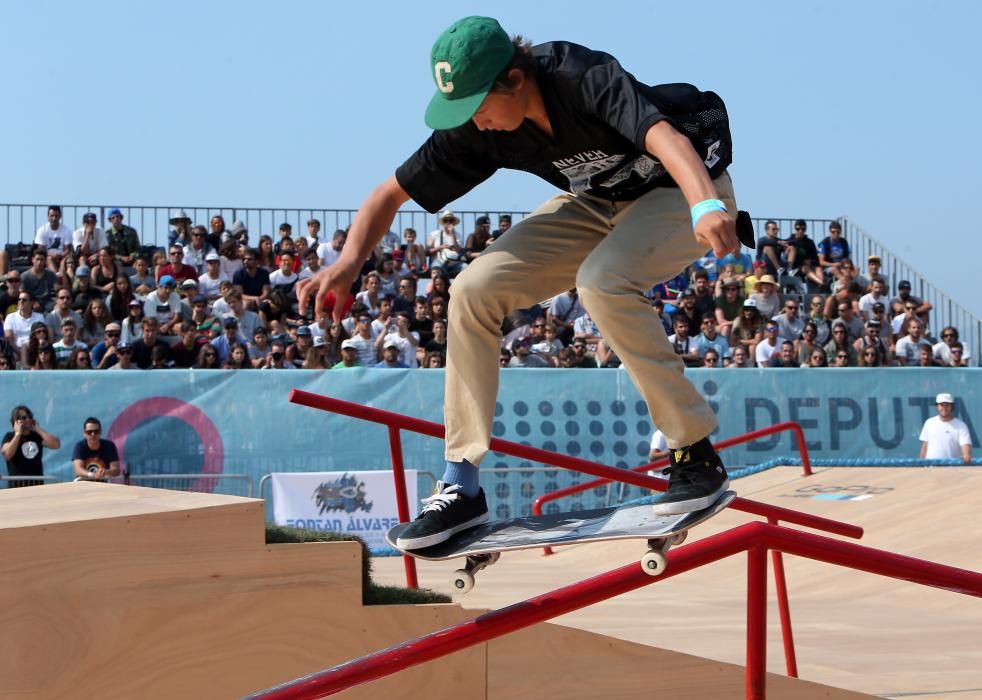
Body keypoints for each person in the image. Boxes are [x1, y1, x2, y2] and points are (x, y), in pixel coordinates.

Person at [297, 16, 738, 548]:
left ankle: (693, 452)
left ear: (514, 77)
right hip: (595, 203)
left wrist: (705, 203)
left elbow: (663, 136)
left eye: (480, 105)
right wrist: (348, 263)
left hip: (678, 191)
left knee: (600, 280)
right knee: (472, 290)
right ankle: (461, 484)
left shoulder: (579, 75)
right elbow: (388, 195)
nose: (476, 121)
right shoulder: (476, 129)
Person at [2, 406, 60, 487]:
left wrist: (37, 429)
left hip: (36, 485)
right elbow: (7, 454)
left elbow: (56, 445)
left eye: (30, 417)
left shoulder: (36, 436)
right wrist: (18, 434)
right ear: (16, 421)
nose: (28, 419)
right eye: (24, 417)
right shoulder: (9, 436)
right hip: (17, 486)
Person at [919, 393, 972, 464]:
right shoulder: (929, 423)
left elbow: (965, 445)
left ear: (952, 407)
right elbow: (925, 446)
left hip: (952, 469)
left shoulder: (961, 426)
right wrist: (921, 464)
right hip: (930, 468)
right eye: (941, 405)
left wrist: (966, 455)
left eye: (947, 405)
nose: (944, 408)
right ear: (937, 406)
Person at [71, 417, 121, 482]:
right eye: (89, 432)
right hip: (83, 486)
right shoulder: (79, 446)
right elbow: (78, 470)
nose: (93, 434)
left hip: (103, 486)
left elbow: (116, 470)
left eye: (96, 431)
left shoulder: (109, 446)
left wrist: (106, 472)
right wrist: (92, 475)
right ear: (84, 433)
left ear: (100, 432)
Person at [34, 205, 72, 272]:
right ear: (48, 217)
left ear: (60, 216)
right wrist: (51, 255)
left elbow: (68, 250)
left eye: (56, 216)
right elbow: (40, 250)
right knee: (49, 259)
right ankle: (56, 278)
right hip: (47, 257)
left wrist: (60, 255)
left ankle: (59, 277)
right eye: (52, 216)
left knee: (64, 261)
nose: (54, 218)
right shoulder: (42, 230)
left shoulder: (67, 230)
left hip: (62, 256)